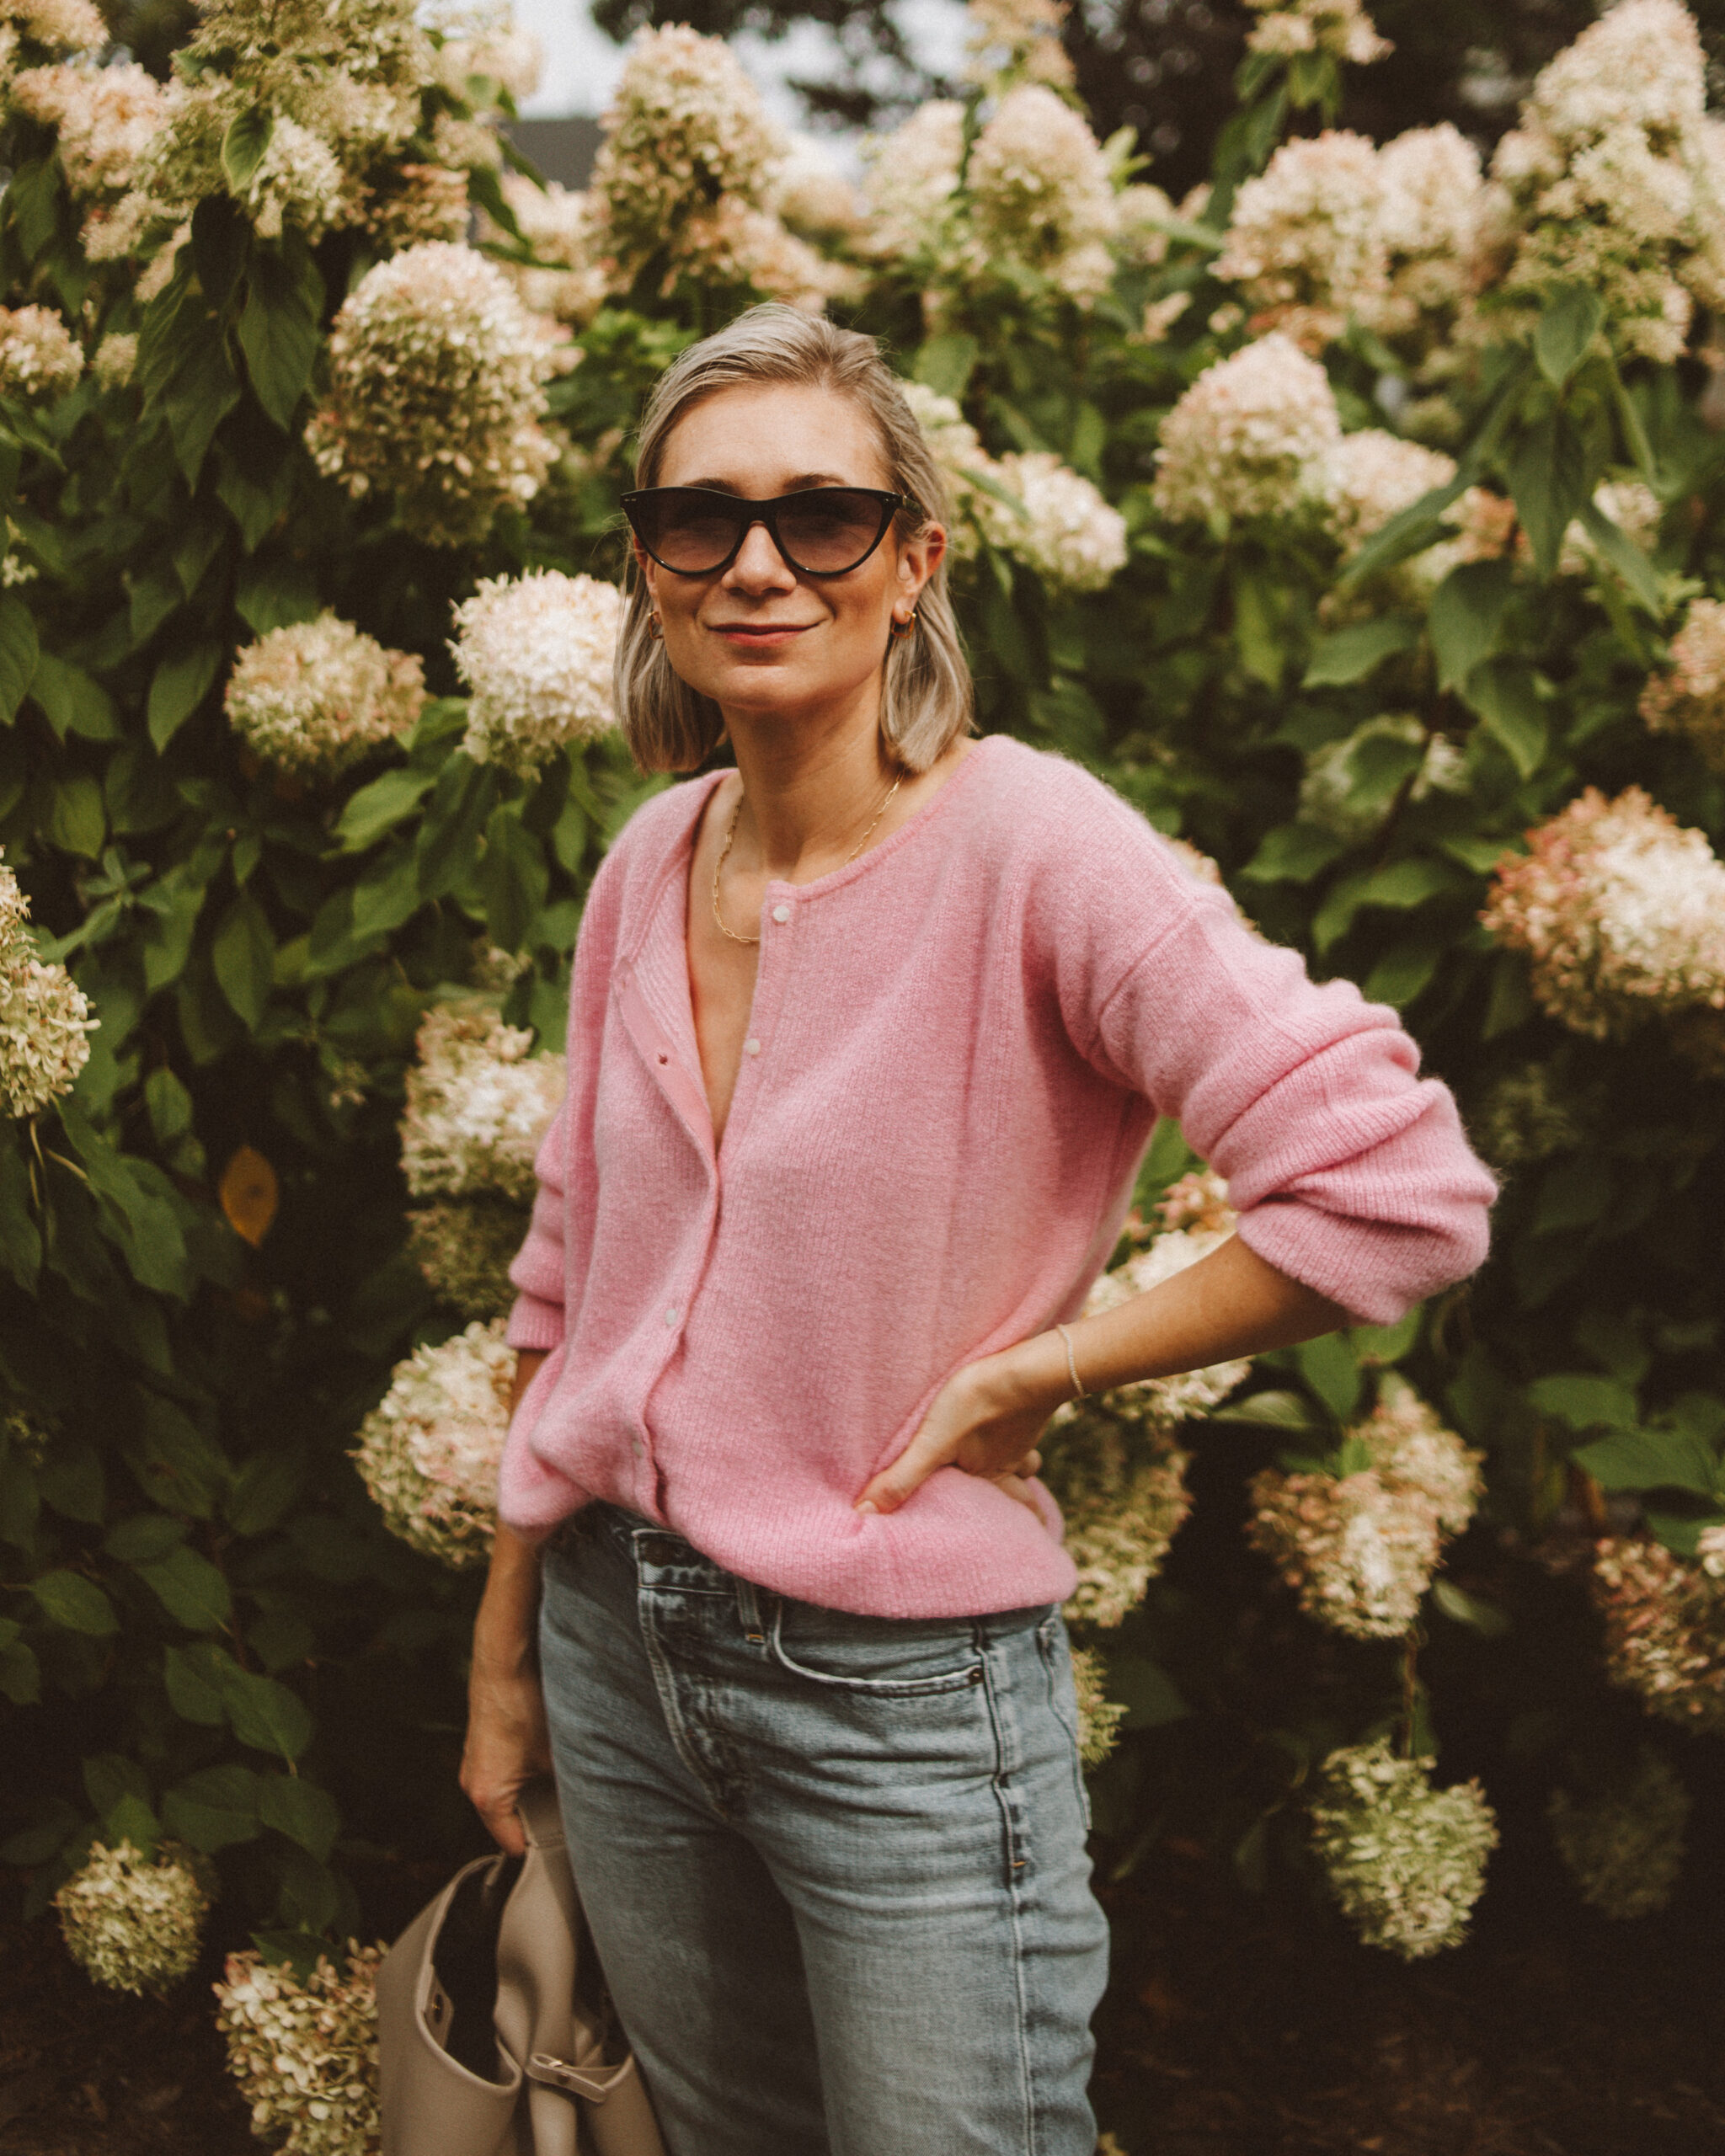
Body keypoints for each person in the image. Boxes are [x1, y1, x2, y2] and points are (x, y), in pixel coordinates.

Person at [459, 302, 1497, 2156]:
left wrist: (1051, 1360)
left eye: (821, 516)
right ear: (648, 561)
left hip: (900, 1705)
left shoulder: (1035, 846)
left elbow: (1397, 1188)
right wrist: (507, 1642)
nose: (757, 563)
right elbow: (573, 1259)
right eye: (699, 520)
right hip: (620, 1656)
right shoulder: (647, 859)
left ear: (915, 559)